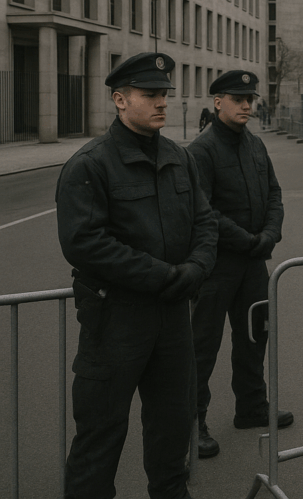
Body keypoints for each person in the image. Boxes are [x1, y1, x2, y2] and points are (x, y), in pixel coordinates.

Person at [55, 52, 218, 499]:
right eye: (150, 95)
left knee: (171, 433)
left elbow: (206, 221)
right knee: (99, 439)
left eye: (164, 94)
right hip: (114, 322)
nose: (162, 102)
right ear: (120, 100)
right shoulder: (90, 165)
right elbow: (86, 244)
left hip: (171, 322)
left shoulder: (177, 158)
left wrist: (198, 268)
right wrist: (168, 277)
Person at [187, 70, 291, 459]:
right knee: (203, 347)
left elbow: (275, 193)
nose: (247, 104)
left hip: (252, 265)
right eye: (238, 99)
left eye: (250, 98)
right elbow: (204, 211)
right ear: (218, 102)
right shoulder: (202, 150)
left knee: (253, 338)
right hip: (216, 267)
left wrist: (270, 233)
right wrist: (249, 241)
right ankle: (194, 423)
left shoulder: (255, 145)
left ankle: (251, 407)